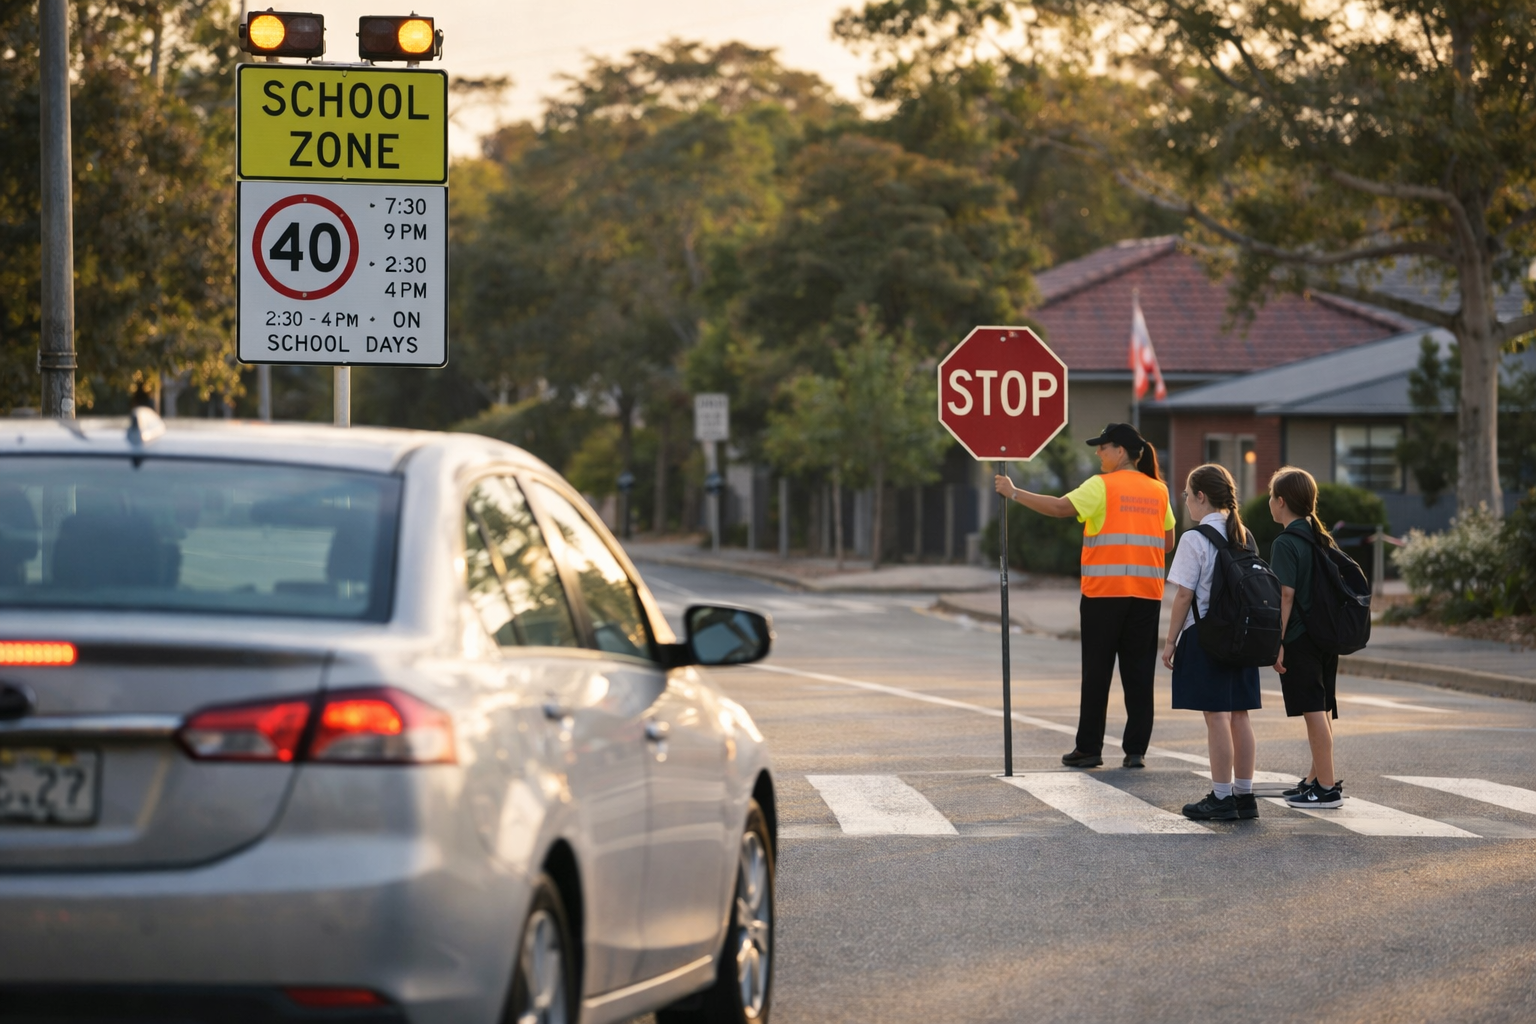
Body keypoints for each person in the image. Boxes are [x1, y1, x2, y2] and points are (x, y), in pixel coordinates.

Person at [995, 422, 1175, 769]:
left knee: (1097, 674)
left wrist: (1014, 493)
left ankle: (1089, 748)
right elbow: (1167, 542)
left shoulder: (1102, 486)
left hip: (1104, 595)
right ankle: (1135, 750)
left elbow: (1061, 508)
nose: (1098, 453)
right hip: (1147, 595)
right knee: (1139, 677)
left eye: (1103, 447)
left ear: (1119, 451)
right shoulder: (1159, 491)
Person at [1161, 464, 1262, 821]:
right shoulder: (1244, 534)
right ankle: (1244, 796)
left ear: (1201, 496)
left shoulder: (1194, 538)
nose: (1185, 501)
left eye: (1187, 494)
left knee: (1215, 715)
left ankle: (1221, 797)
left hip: (1206, 637)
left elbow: (1184, 595)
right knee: (1239, 714)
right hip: (1243, 637)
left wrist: (1170, 641)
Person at [1268, 466, 1344, 809]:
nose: (1270, 502)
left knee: (1313, 710)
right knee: (1322, 705)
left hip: (1300, 635)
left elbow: (1286, 595)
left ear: (1281, 502)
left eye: (1271, 496)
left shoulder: (1286, 542)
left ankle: (1326, 788)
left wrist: (1277, 641)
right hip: (1325, 635)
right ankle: (1316, 779)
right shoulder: (1319, 536)